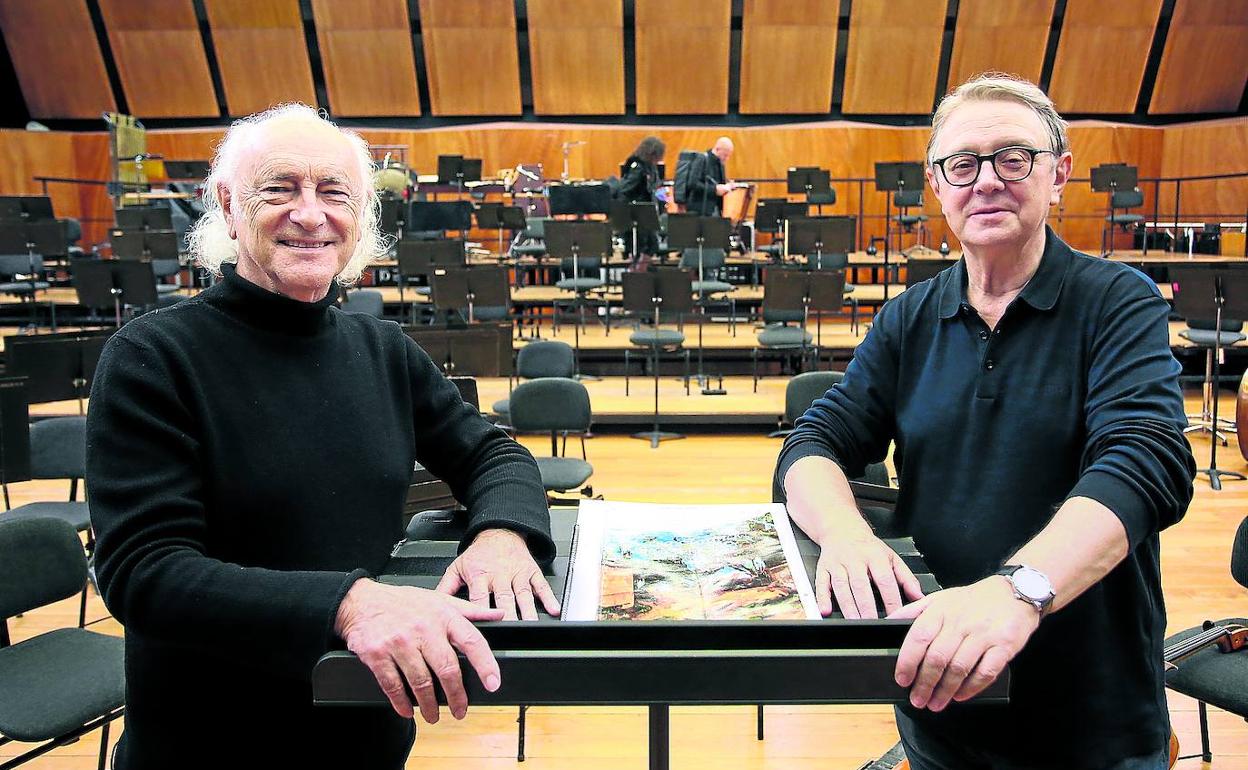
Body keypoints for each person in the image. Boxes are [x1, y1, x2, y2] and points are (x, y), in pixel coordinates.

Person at [85, 103, 560, 769]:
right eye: (280, 188)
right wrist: (350, 604)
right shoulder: (154, 356)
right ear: (228, 204)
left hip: (364, 734)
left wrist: (502, 535)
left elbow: (491, 452)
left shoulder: (383, 349)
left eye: (334, 192)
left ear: (359, 216)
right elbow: (145, 572)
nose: (310, 214)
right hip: (209, 746)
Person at [775, 74, 1195, 769]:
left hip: (1088, 715)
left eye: (1013, 158)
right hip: (939, 701)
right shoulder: (909, 316)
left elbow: (1146, 463)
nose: (987, 181)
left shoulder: (1117, 301)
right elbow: (815, 441)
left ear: (1058, 175)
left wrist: (1019, 590)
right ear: (938, 186)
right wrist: (847, 536)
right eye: (962, 164)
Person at [615, 135, 665, 265]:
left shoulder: (650, 167)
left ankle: (642, 271)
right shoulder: (637, 167)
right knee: (641, 247)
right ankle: (637, 272)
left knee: (651, 247)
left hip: (647, 214)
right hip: (636, 214)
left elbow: (655, 186)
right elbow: (624, 190)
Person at [684, 136, 734, 216]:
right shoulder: (702, 159)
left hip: (715, 209)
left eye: (728, 156)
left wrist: (728, 187)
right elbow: (692, 183)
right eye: (725, 155)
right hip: (700, 210)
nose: (727, 158)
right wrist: (715, 189)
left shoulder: (720, 164)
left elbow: (719, 184)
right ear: (717, 149)